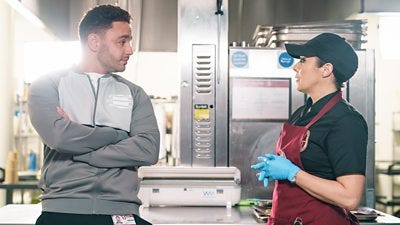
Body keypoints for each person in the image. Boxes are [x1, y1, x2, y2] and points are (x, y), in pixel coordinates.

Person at [28, 5, 159, 225]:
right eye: (122, 41)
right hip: (62, 210)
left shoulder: (135, 94)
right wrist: (119, 135)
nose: (130, 50)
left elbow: (148, 149)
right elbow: (60, 137)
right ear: (94, 42)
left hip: (121, 212)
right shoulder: (48, 85)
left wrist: (80, 151)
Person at [251, 33, 367, 225]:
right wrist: (275, 166)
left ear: (326, 69)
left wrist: (292, 173)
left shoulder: (346, 121)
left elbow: (350, 197)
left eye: (303, 60)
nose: (295, 66)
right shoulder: (301, 113)